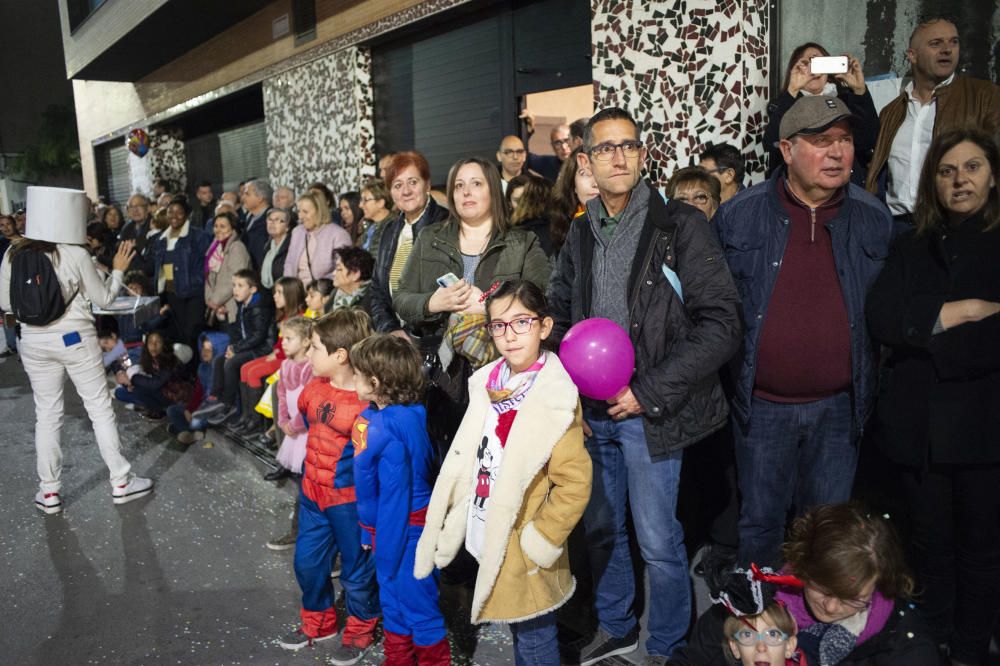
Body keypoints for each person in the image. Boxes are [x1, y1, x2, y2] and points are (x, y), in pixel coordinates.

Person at [548, 107, 742, 664]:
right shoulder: (582, 230)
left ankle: (665, 645)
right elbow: (560, 315)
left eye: (628, 146)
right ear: (584, 159)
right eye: (604, 148)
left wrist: (649, 391)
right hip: (592, 413)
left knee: (659, 542)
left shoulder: (678, 224)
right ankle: (618, 627)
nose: (617, 157)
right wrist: (570, 395)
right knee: (602, 533)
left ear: (642, 154)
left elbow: (722, 324)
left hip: (649, 411)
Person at [714, 95, 895, 569]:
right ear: (787, 150)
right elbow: (712, 310)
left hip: (840, 409)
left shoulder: (875, 219)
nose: (837, 152)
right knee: (760, 526)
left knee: (828, 529)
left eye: (845, 140)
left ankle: (813, 630)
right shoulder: (738, 216)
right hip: (761, 407)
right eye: (820, 141)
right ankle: (760, 627)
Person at [866, 128, 1000, 665]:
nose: (959, 179)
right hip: (918, 430)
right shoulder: (911, 243)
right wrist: (962, 312)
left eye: (971, 167)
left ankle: (970, 651)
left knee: (982, 553)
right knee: (928, 548)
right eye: (946, 171)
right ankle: (933, 645)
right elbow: (880, 318)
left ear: (992, 176)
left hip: (985, 428)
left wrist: (926, 335)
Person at [416, 280, 591, 666]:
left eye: (521, 323)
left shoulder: (555, 396)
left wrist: (540, 538)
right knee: (518, 629)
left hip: (525, 542)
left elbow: (575, 482)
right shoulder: (488, 382)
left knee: (534, 638)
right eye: (498, 325)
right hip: (489, 526)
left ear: (544, 327)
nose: (509, 336)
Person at [0, 186, 153, 513]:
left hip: (33, 342)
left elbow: (5, 304)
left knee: (47, 414)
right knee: (99, 408)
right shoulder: (74, 253)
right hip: (75, 339)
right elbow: (105, 300)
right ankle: (121, 482)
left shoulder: (13, 254)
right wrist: (119, 268)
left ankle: (50, 492)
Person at [393, 156, 551, 448]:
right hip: (444, 377)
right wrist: (432, 303)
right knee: (449, 464)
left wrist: (491, 306)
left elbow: (544, 297)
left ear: (493, 190)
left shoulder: (522, 242)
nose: (466, 192)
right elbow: (401, 299)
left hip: (505, 374)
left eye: (476, 184)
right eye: (459, 186)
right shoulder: (430, 238)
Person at [668, 503, 942, 666]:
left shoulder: (907, 650)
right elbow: (691, 661)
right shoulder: (753, 601)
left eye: (852, 599)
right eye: (822, 588)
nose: (832, 607)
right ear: (801, 567)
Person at [276, 310, 380, 664]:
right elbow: (306, 421)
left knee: (357, 571)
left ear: (340, 355)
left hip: (348, 502)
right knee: (307, 563)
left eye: (316, 347)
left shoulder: (370, 403)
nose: (308, 354)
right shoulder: (314, 386)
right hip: (312, 495)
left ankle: (360, 630)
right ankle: (319, 623)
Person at [351, 334, 451, 664]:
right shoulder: (417, 414)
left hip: (403, 528)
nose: (353, 378)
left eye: (357, 372)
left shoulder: (374, 425)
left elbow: (365, 486)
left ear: (375, 382)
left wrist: (367, 528)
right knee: (404, 600)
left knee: (408, 602)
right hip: (411, 525)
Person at [865, 18, 1000, 223]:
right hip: (898, 227)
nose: (947, 49)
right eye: (936, 43)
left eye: (953, 42)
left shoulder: (986, 96)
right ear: (912, 55)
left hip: (957, 222)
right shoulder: (892, 112)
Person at [764, 43, 879, 183]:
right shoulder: (784, 103)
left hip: (844, 186)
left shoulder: (845, 100)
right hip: (798, 186)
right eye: (808, 64)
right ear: (796, 69)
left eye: (820, 63)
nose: (815, 71)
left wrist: (860, 91)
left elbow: (868, 141)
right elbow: (772, 142)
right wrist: (792, 90)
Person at [369, 151, 449, 336]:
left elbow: (447, 292)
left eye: (413, 182)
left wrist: (413, 336)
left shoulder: (446, 226)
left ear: (427, 184)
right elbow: (377, 290)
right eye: (398, 185)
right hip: (396, 340)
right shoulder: (389, 231)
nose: (406, 191)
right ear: (391, 192)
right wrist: (392, 330)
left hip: (434, 338)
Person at [193, 269, 275, 426]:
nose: (235, 290)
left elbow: (258, 336)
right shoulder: (244, 305)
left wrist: (236, 349)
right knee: (219, 359)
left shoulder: (259, 306)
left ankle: (228, 405)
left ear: (253, 289)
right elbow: (238, 331)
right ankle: (216, 399)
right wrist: (232, 347)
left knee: (231, 363)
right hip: (248, 346)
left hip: (262, 349)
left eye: (240, 285)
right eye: (234, 285)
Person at [232, 275, 307, 439]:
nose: (274, 296)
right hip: (279, 356)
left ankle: (256, 423)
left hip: (288, 360)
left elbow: (290, 349)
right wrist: (275, 351)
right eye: (275, 292)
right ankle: (248, 416)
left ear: (290, 294)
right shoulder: (284, 315)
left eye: (279, 293)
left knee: (253, 373)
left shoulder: (300, 317)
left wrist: (277, 353)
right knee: (245, 368)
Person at [266, 315, 314, 547]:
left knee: (308, 479)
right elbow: (282, 394)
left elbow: (309, 404)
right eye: (283, 338)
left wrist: (295, 424)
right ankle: (300, 521)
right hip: (293, 430)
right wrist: (283, 420)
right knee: (300, 479)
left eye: (289, 338)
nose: (283, 343)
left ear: (306, 342)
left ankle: (304, 522)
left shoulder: (310, 368)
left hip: (306, 432)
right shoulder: (285, 365)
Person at [152, 196, 213, 351]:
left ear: (187, 215)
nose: (174, 216)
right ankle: (183, 373)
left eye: (179, 212)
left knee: (192, 335)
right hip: (171, 294)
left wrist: (196, 283)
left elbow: (206, 265)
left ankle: (196, 372)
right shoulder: (160, 239)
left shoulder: (198, 236)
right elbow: (159, 269)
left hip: (192, 294)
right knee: (177, 336)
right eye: (170, 212)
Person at [113, 331, 189, 420]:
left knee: (138, 389)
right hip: (155, 391)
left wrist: (132, 379)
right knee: (120, 392)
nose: (154, 345)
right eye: (150, 342)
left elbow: (155, 384)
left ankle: (158, 410)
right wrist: (124, 377)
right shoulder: (147, 357)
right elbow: (126, 363)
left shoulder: (170, 360)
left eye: (158, 342)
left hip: (172, 396)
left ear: (163, 344)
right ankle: (147, 404)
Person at [283, 192, 351, 286]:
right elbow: (289, 263)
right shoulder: (297, 232)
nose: (300, 217)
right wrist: (289, 289)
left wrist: (319, 288)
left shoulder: (338, 234)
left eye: (305, 212)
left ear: (319, 211)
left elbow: (342, 270)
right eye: (299, 211)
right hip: (296, 294)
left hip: (323, 293)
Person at [546, 146, 600, 258]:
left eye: (601, 173)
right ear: (573, 184)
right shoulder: (559, 227)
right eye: (585, 173)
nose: (595, 183)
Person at [204, 210, 251, 325]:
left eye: (223, 226)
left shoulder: (237, 248)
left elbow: (236, 280)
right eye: (215, 226)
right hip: (217, 307)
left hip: (230, 308)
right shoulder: (215, 247)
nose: (218, 230)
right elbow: (209, 277)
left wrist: (214, 302)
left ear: (233, 229)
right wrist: (210, 301)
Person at [506, 173, 555, 256]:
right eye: (518, 201)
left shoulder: (552, 228)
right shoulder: (504, 229)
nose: (523, 205)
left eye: (527, 199)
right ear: (508, 203)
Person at [328, 247, 374, 314]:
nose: (333, 273)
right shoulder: (334, 294)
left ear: (356, 274)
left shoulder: (371, 302)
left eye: (339, 269)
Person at [241, 179, 273, 269]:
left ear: (260, 198)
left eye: (247, 194)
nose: (243, 198)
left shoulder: (271, 219)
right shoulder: (248, 218)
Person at [260, 207, 292, 290]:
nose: (272, 223)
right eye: (270, 220)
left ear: (287, 227)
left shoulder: (291, 247)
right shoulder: (267, 246)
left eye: (278, 220)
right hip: (268, 293)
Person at [358, 179, 392, 254]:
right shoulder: (370, 226)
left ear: (380, 203)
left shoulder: (392, 227)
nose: (360, 205)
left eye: (365, 200)